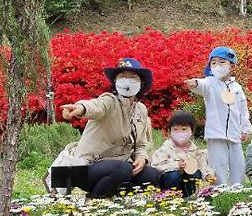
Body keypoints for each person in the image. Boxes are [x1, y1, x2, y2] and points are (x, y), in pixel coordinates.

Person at [59, 57, 159, 198]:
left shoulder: (141, 109)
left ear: (141, 83)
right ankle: (94, 201)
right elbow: (96, 106)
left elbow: (141, 143)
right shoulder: (110, 101)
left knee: (151, 175)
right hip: (84, 168)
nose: (127, 81)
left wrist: (142, 158)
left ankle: (116, 197)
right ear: (115, 82)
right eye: (122, 77)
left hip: (118, 167)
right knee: (123, 169)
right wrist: (80, 108)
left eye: (132, 77)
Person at [184, 47, 252, 185]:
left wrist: (245, 128)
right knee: (218, 166)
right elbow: (201, 84)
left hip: (234, 134)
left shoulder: (236, 87)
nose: (217, 66)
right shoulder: (210, 83)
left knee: (238, 165)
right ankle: (219, 192)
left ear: (231, 66)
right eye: (213, 63)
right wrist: (195, 83)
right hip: (216, 134)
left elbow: (242, 110)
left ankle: (237, 191)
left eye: (222, 62)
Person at [151, 111, 215, 196]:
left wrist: (208, 175)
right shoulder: (166, 148)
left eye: (184, 129)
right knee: (174, 175)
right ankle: (169, 196)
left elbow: (202, 166)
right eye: (175, 129)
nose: (180, 133)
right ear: (170, 132)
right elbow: (156, 165)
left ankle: (188, 196)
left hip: (186, 182)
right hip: (170, 181)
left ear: (192, 131)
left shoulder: (195, 150)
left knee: (195, 173)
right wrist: (176, 165)